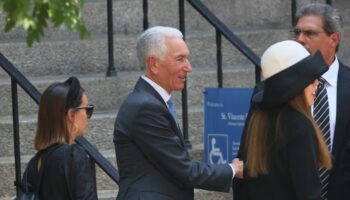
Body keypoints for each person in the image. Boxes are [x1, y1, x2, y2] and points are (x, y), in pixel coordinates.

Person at [113, 26, 243, 200]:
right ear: (154, 64)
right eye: (180, 59)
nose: (188, 67)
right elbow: (184, 170)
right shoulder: (145, 107)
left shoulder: (149, 102)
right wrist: (233, 169)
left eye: (187, 59)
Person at [235, 40, 332, 200]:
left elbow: (241, 183)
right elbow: (308, 192)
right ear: (295, 85)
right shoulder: (299, 125)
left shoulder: (258, 118)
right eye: (310, 79)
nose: (316, 84)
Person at [292, 3, 350, 200]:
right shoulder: (277, 88)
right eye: (297, 32)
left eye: (310, 33)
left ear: (334, 39)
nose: (300, 39)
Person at [21, 76, 98, 200]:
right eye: (87, 109)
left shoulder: (34, 164)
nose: (88, 116)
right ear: (71, 115)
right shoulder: (73, 155)